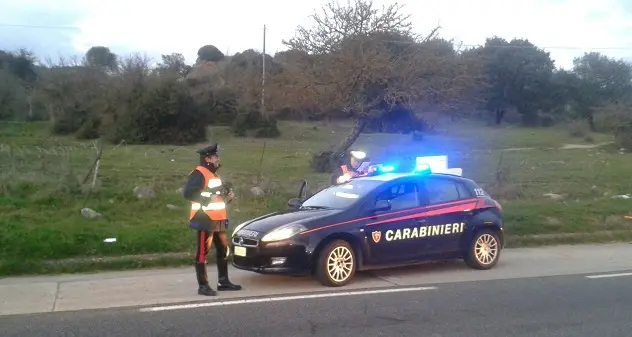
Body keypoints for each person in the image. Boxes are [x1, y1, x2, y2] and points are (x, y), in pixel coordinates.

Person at [182, 143, 242, 296]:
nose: (218, 159)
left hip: (218, 219)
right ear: (207, 158)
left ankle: (223, 282)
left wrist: (227, 198)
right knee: (203, 252)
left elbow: (215, 196)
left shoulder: (214, 175)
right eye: (216, 156)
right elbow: (189, 193)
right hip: (204, 218)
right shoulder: (199, 173)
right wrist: (208, 200)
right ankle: (203, 285)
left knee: (223, 250)